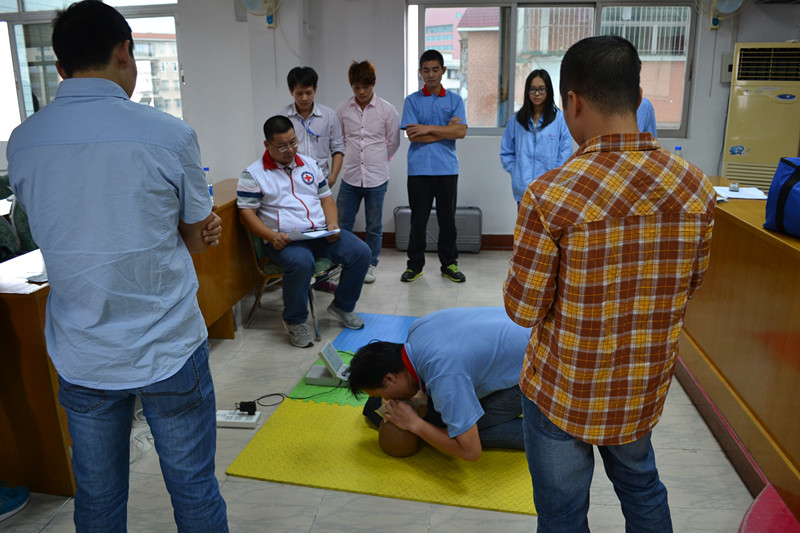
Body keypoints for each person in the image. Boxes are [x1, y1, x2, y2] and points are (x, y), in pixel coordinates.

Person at [6, 2, 228, 531]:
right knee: (194, 492)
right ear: (125, 51)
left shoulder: (24, 140)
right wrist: (194, 231)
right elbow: (197, 239)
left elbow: (51, 226)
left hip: (83, 351)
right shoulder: (169, 134)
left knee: (99, 500)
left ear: (60, 67)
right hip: (167, 345)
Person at [503, 35, 715, 531]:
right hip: (640, 384)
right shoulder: (696, 187)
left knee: (562, 513)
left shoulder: (550, 195)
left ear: (572, 102)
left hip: (563, 388)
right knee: (643, 489)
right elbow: (692, 283)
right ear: (638, 97)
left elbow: (523, 309)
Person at [237, 115, 371, 348]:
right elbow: (246, 214)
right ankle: (295, 320)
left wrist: (332, 224)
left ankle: (343, 305)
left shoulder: (309, 164)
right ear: (267, 145)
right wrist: (271, 236)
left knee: (361, 252)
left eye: (293, 142)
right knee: (301, 262)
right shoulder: (253, 174)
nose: (290, 150)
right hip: (285, 240)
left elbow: (326, 199)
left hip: (319, 233)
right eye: (282, 146)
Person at [347, 307, 530, 461]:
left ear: (389, 378)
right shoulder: (417, 329)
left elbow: (471, 452)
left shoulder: (443, 375)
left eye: (382, 395)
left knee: (456, 432)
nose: (386, 399)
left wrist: (415, 424)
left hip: (540, 373)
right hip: (533, 330)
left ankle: (543, 430)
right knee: (446, 422)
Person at [400, 49, 467, 283]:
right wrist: (446, 130)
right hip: (419, 169)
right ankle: (414, 265)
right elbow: (413, 135)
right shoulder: (412, 100)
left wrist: (427, 128)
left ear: (443, 71)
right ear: (420, 72)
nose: (431, 75)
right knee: (418, 221)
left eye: (435, 70)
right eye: (426, 70)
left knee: (447, 221)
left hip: (447, 169)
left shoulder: (455, 100)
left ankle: (449, 264)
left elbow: (460, 132)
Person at [335, 60, 400, 284]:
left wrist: (379, 159)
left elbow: (393, 141)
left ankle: (371, 263)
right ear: (351, 86)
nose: (361, 91)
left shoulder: (387, 110)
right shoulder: (342, 109)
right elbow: (340, 140)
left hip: (377, 178)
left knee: (374, 225)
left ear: (373, 84)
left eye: (366, 86)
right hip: (350, 176)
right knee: (342, 223)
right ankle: (342, 261)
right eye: (356, 87)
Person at [500, 69, 573, 204]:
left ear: (548, 91)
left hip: (550, 189)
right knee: (523, 219)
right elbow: (506, 152)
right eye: (532, 89)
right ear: (527, 91)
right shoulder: (517, 120)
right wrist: (516, 171)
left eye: (541, 89)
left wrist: (555, 176)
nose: (537, 93)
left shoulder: (560, 120)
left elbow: (566, 153)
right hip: (523, 190)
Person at [278, 66, 345, 187]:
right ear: (291, 91)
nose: (304, 98)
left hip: (320, 181)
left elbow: (338, 149)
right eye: (299, 93)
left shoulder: (329, 116)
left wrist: (332, 179)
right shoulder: (282, 118)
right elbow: (276, 151)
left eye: (308, 93)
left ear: (315, 89)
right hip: (292, 182)